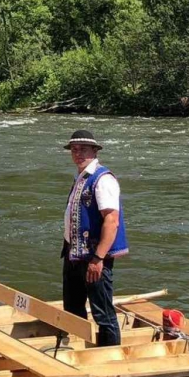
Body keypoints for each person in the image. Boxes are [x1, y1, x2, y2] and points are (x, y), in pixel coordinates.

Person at [60, 128, 127, 347]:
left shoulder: (103, 179)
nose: (77, 153)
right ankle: (78, 350)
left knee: (103, 313)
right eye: (74, 149)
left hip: (94, 258)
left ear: (95, 151)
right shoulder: (81, 177)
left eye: (83, 149)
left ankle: (112, 358)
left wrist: (98, 259)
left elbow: (111, 220)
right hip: (73, 255)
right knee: (72, 309)